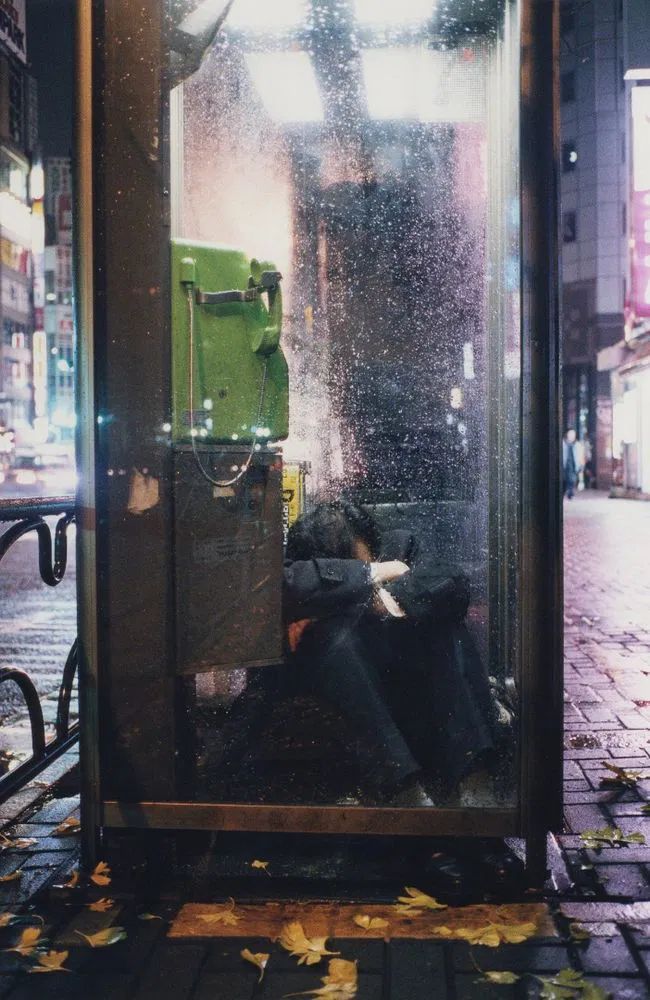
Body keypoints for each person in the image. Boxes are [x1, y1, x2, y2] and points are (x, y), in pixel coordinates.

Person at [283, 501, 498, 807]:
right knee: (332, 639)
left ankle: (474, 772)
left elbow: (453, 583)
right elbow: (287, 587)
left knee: (443, 626)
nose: (360, 569)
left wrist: (388, 599)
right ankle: (404, 788)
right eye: (345, 568)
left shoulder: (400, 545)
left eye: (360, 561)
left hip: (414, 681)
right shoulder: (304, 576)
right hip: (360, 698)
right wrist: (364, 580)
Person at [562, 429, 580, 499]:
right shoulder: (563, 443)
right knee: (564, 481)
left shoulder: (577, 445)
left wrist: (580, 465)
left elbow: (579, 455)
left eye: (573, 434)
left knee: (572, 480)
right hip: (564, 466)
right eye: (570, 434)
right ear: (566, 434)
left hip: (573, 466)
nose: (572, 436)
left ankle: (570, 493)